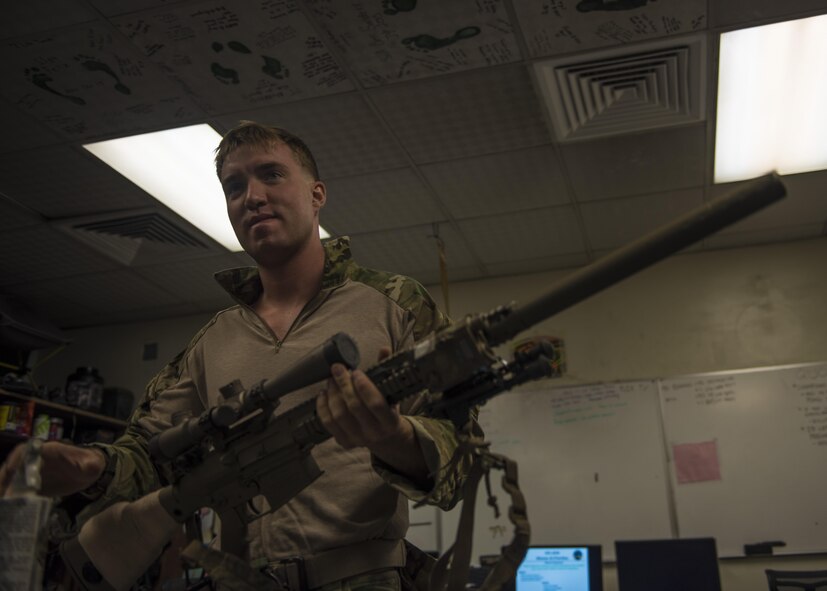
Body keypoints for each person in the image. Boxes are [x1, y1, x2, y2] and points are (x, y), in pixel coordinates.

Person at [0, 122, 477, 590]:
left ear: (317, 195)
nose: (251, 196)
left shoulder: (395, 303)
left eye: (271, 174)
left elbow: (462, 454)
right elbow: (149, 453)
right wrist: (92, 465)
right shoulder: (212, 341)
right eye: (234, 186)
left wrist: (394, 437)